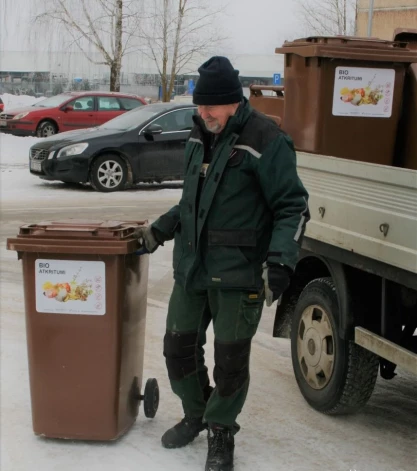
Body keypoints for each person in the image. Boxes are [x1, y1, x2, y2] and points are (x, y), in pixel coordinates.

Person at [134, 56, 310, 471]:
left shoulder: (266, 139)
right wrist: (161, 229)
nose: (203, 113)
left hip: (239, 273)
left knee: (230, 362)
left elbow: (293, 207)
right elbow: (192, 203)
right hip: (192, 268)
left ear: (234, 102)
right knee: (178, 350)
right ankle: (196, 414)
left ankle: (220, 430)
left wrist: (280, 261)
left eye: (211, 106)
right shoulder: (199, 136)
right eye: (199, 105)